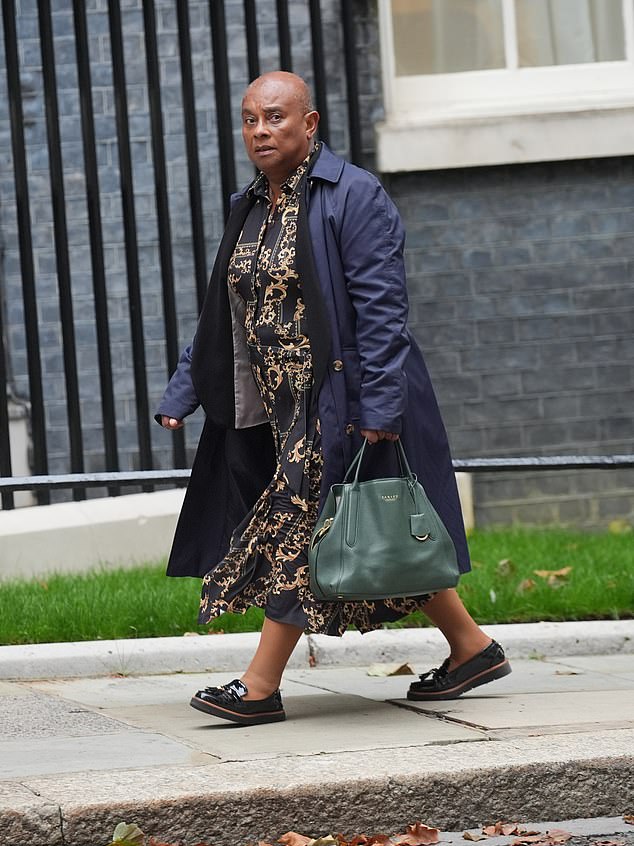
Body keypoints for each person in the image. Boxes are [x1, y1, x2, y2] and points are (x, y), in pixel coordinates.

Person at [156, 71, 511, 726]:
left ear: (309, 124)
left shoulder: (353, 196)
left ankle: (260, 687)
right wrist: (186, 387)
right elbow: (224, 311)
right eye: (249, 119)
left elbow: (383, 312)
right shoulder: (250, 205)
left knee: (300, 527)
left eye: (275, 118)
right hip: (274, 408)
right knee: (364, 531)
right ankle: (473, 647)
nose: (260, 131)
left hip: (338, 404)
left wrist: (379, 407)